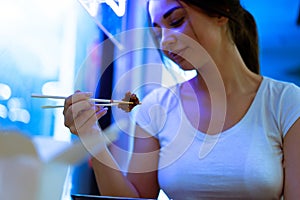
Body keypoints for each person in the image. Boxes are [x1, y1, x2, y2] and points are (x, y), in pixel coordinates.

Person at [63, 0, 300, 199]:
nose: (165, 41)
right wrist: (91, 136)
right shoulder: (156, 107)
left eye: (175, 21)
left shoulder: (285, 102)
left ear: (221, 12)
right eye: (157, 32)